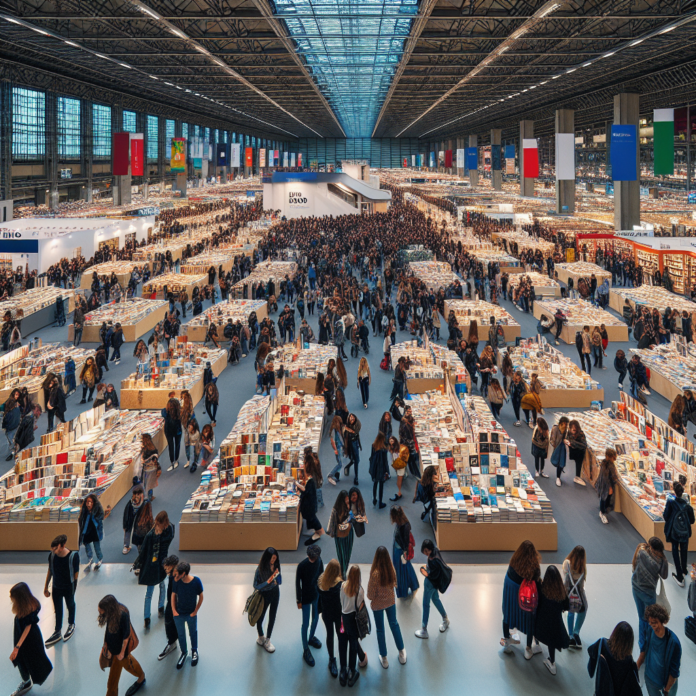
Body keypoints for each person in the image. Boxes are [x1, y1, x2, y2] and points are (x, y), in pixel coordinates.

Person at [132, 511, 175, 629]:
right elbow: (144, 550)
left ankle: (161, 607)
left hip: (163, 564)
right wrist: (137, 564)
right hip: (152, 566)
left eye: (158, 524)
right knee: (149, 592)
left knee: (162, 586)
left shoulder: (169, 529)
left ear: (163, 523)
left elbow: (168, 539)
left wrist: (159, 536)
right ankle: (147, 617)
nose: (156, 526)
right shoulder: (151, 535)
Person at [9, 582, 53, 696]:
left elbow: (27, 628)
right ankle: (26, 680)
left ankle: (27, 681)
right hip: (25, 635)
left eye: (13, 599)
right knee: (23, 659)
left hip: (28, 639)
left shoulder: (30, 609)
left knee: (24, 659)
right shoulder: (27, 605)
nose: (12, 601)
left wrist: (17, 647)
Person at [500, 540, 542, 658]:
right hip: (524, 597)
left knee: (507, 615)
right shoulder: (534, 568)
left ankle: (507, 640)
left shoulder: (513, 562)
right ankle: (528, 648)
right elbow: (537, 584)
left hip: (510, 593)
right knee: (529, 620)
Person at [97, 595, 146, 696]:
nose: (100, 613)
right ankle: (141, 677)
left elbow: (126, 636)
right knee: (124, 668)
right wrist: (106, 647)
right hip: (114, 649)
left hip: (120, 651)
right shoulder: (110, 613)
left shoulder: (123, 614)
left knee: (114, 680)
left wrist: (122, 652)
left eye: (101, 610)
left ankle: (141, 677)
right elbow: (108, 630)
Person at [367, 546, 406, 668]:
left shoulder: (375, 574)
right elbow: (395, 583)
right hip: (390, 602)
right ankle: (401, 652)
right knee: (394, 624)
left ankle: (384, 658)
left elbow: (370, 594)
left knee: (380, 630)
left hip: (378, 606)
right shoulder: (391, 569)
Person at [631, 537, 669, 652]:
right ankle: (650, 643)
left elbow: (634, 566)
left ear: (650, 546)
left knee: (642, 618)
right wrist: (665, 560)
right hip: (649, 592)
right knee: (651, 618)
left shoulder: (641, 552)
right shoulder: (661, 560)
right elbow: (664, 575)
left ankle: (642, 644)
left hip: (636, 588)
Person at [637, 604, 682, 696]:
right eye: (650, 622)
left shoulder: (674, 643)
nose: (652, 625)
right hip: (650, 681)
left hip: (665, 686)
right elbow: (643, 651)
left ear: (663, 621)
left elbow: (674, 673)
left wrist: (666, 690)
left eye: (654, 622)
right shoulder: (649, 631)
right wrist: (635, 668)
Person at [43, 534, 79, 647]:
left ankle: (71, 624)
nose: (53, 551)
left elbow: (76, 575)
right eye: (52, 549)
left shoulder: (73, 556)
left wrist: (74, 590)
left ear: (62, 546)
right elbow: (50, 570)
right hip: (56, 587)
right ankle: (57, 630)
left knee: (70, 605)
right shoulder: (52, 556)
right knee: (57, 609)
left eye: (55, 548)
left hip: (68, 587)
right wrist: (46, 587)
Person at [587, 621, 642, 696]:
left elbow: (590, 670)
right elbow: (632, 688)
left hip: (599, 692)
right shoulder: (628, 662)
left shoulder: (601, 644)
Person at [534, 565, 570, 675]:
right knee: (552, 642)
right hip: (555, 623)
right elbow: (566, 606)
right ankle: (552, 662)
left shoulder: (542, 589)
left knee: (535, 630)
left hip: (541, 620)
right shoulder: (561, 593)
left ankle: (537, 645)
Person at [415, 539, 451, 639]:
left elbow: (431, 575)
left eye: (427, 551)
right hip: (435, 585)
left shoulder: (432, 560)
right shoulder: (436, 552)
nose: (426, 553)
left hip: (429, 584)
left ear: (430, 549)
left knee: (426, 605)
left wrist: (425, 572)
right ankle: (445, 619)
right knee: (436, 600)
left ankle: (424, 629)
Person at [339, 565, 368, 687]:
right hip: (353, 619)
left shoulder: (343, 586)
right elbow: (360, 607)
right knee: (353, 644)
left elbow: (341, 601)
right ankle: (352, 671)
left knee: (342, 644)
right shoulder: (360, 591)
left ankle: (343, 671)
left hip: (343, 618)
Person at [171, 561, 204, 669]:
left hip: (191, 614)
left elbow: (201, 597)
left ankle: (194, 651)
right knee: (181, 634)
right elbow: (173, 596)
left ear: (184, 573)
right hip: (179, 614)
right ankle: (184, 653)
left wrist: (195, 612)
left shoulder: (196, 581)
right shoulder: (176, 581)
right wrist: (174, 611)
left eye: (178, 574)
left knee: (193, 633)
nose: (176, 577)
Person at [295, 544, 324, 667]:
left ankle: (311, 637)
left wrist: (322, 593)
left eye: (315, 557)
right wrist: (298, 600)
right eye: (311, 557)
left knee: (316, 618)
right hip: (306, 598)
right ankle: (305, 649)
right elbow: (297, 583)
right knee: (305, 623)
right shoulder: (302, 566)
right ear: (308, 555)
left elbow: (322, 576)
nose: (313, 559)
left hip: (316, 594)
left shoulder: (319, 561)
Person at [663, 481, 694, 587]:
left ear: (674, 492)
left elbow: (665, 516)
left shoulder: (671, 503)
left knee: (675, 550)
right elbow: (692, 520)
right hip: (685, 532)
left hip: (674, 532)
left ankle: (679, 577)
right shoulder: (687, 506)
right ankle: (684, 570)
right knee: (684, 550)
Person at [317, 558, 343, 678]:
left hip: (326, 615)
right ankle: (342, 660)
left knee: (330, 635)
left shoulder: (321, 581)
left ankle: (332, 659)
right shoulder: (339, 585)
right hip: (338, 615)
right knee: (340, 634)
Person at [253, 547, 281, 653]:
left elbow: (280, 579)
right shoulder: (260, 569)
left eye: (275, 558)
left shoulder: (276, 565)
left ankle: (268, 639)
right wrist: (268, 582)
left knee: (272, 616)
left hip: (275, 593)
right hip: (264, 595)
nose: (273, 561)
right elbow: (256, 585)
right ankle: (261, 636)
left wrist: (277, 580)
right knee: (260, 617)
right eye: (272, 558)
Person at [297, 449, 325, 546]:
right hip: (311, 505)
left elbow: (306, 490)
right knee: (311, 518)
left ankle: (319, 532)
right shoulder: (311, 479)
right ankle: (317, 532)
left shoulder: (311, 481)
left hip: (310, 506)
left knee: (313, 519)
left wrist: (297, 485)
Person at [390, 505, 419, 598]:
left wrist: (405, 551)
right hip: (399, 548)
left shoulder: (404, 526)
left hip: (400, 551)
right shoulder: (401, 523)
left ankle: (402, 591)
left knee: (400, 571)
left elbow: (405, 541)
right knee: (406, 567)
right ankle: (413, 584)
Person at [563, 545, 588, 648]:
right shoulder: (582, 568)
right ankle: (576, 631)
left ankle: (570, 636)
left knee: (571, 611)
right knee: (583, 609)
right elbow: (582, 584)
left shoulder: (567, 563)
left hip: (569, 592)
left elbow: (565, 581)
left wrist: (564, 594)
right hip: (580, 593)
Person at [157, 555, 180, 662]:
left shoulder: (178, 577)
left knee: (173, 622)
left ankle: (174, 643)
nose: (166, 571)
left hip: (177, 604)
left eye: (167, 568)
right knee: (169, 621)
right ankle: (172, 642)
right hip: (171, 603)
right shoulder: (172, 576)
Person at [326, 490, 354, 578]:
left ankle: (343, 571)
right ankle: (343, 573)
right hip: (340, 536)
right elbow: (332, 524)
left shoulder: (349, 506)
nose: (347, 501)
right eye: (345, 500)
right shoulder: (336, 510)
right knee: (342, 555)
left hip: (348, 534)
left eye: (348, 499)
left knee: (347, 554)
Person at [78, 493, 104, 571]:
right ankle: (90, 559)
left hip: (95, 531)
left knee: (97, 546)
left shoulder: (97, 511)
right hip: (86, 531)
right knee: (87, 546)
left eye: (91, 502)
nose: (89, 504)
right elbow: (81, 520)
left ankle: (100, 559)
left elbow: (100, 519)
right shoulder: (84, 512)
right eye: (87, 502)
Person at [122, 487, 150, 555]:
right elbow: (126, 514)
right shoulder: (130, 503)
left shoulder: (145, 503)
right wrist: (125, 525)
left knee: (139, 533)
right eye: (134, 496)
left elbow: (148, 514)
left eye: (138, 495)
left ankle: (142, 545)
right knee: (127, 532)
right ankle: (126, 546)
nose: (136, 498)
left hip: (139, 521)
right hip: (130, 520)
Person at [596, 448, 619, 524]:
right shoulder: (609, 465)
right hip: (606, 485)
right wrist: (611, 485)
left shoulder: (604, 463)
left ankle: (602, 511)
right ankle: (602, 513)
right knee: (605, 498)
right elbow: (611, 477)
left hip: (603, 484)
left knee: (603, 497)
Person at [369, 432, 389, 509]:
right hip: (381, 469)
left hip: (375, 468)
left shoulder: (373, 446)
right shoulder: (384, 449)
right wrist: (387, 471)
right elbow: (385, 461)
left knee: (375, 483)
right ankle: (380, 502)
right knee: (381, 486)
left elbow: (371, 457)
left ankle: (374, 499)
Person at [565, 419, 588, 486]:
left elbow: (584, 445)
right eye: (572, 430)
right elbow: (567, 438)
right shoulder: (569, 432)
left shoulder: (580, 434)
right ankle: (577, 476)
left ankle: (577, 476)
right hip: (573, 451)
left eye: (575, 430)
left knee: (578, 464)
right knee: (577, 463)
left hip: (579, 452)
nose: (573, 431)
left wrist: (572, 443)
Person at [161, 398, 181, 472]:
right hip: (177, 430)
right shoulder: (178, 412)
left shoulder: (165, 412)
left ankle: (172, 462)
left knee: (171, 446)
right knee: (177, 445)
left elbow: (162, 413)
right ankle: (176, 460)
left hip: (169, 431)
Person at [342, 412, 362, 485]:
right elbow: (343, 433)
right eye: (350, 418)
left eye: (353, 418)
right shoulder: (347, 424)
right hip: (348, 445)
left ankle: (356, 477)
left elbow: (355, 432)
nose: (352, 419)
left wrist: (348, 429)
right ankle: (347, 467)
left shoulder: (357, 425)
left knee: (356, 460)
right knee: (352, 459)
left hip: (354, 443)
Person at [389, 436, 409, 502]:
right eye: (390, 441)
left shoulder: (398, 448)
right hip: (397, 465)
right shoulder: (393, 448)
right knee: (399, 479)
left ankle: (399, 493)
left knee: (399, 480)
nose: (391, 442)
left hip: (400, 466)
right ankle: (399, 492)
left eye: (392, 441)